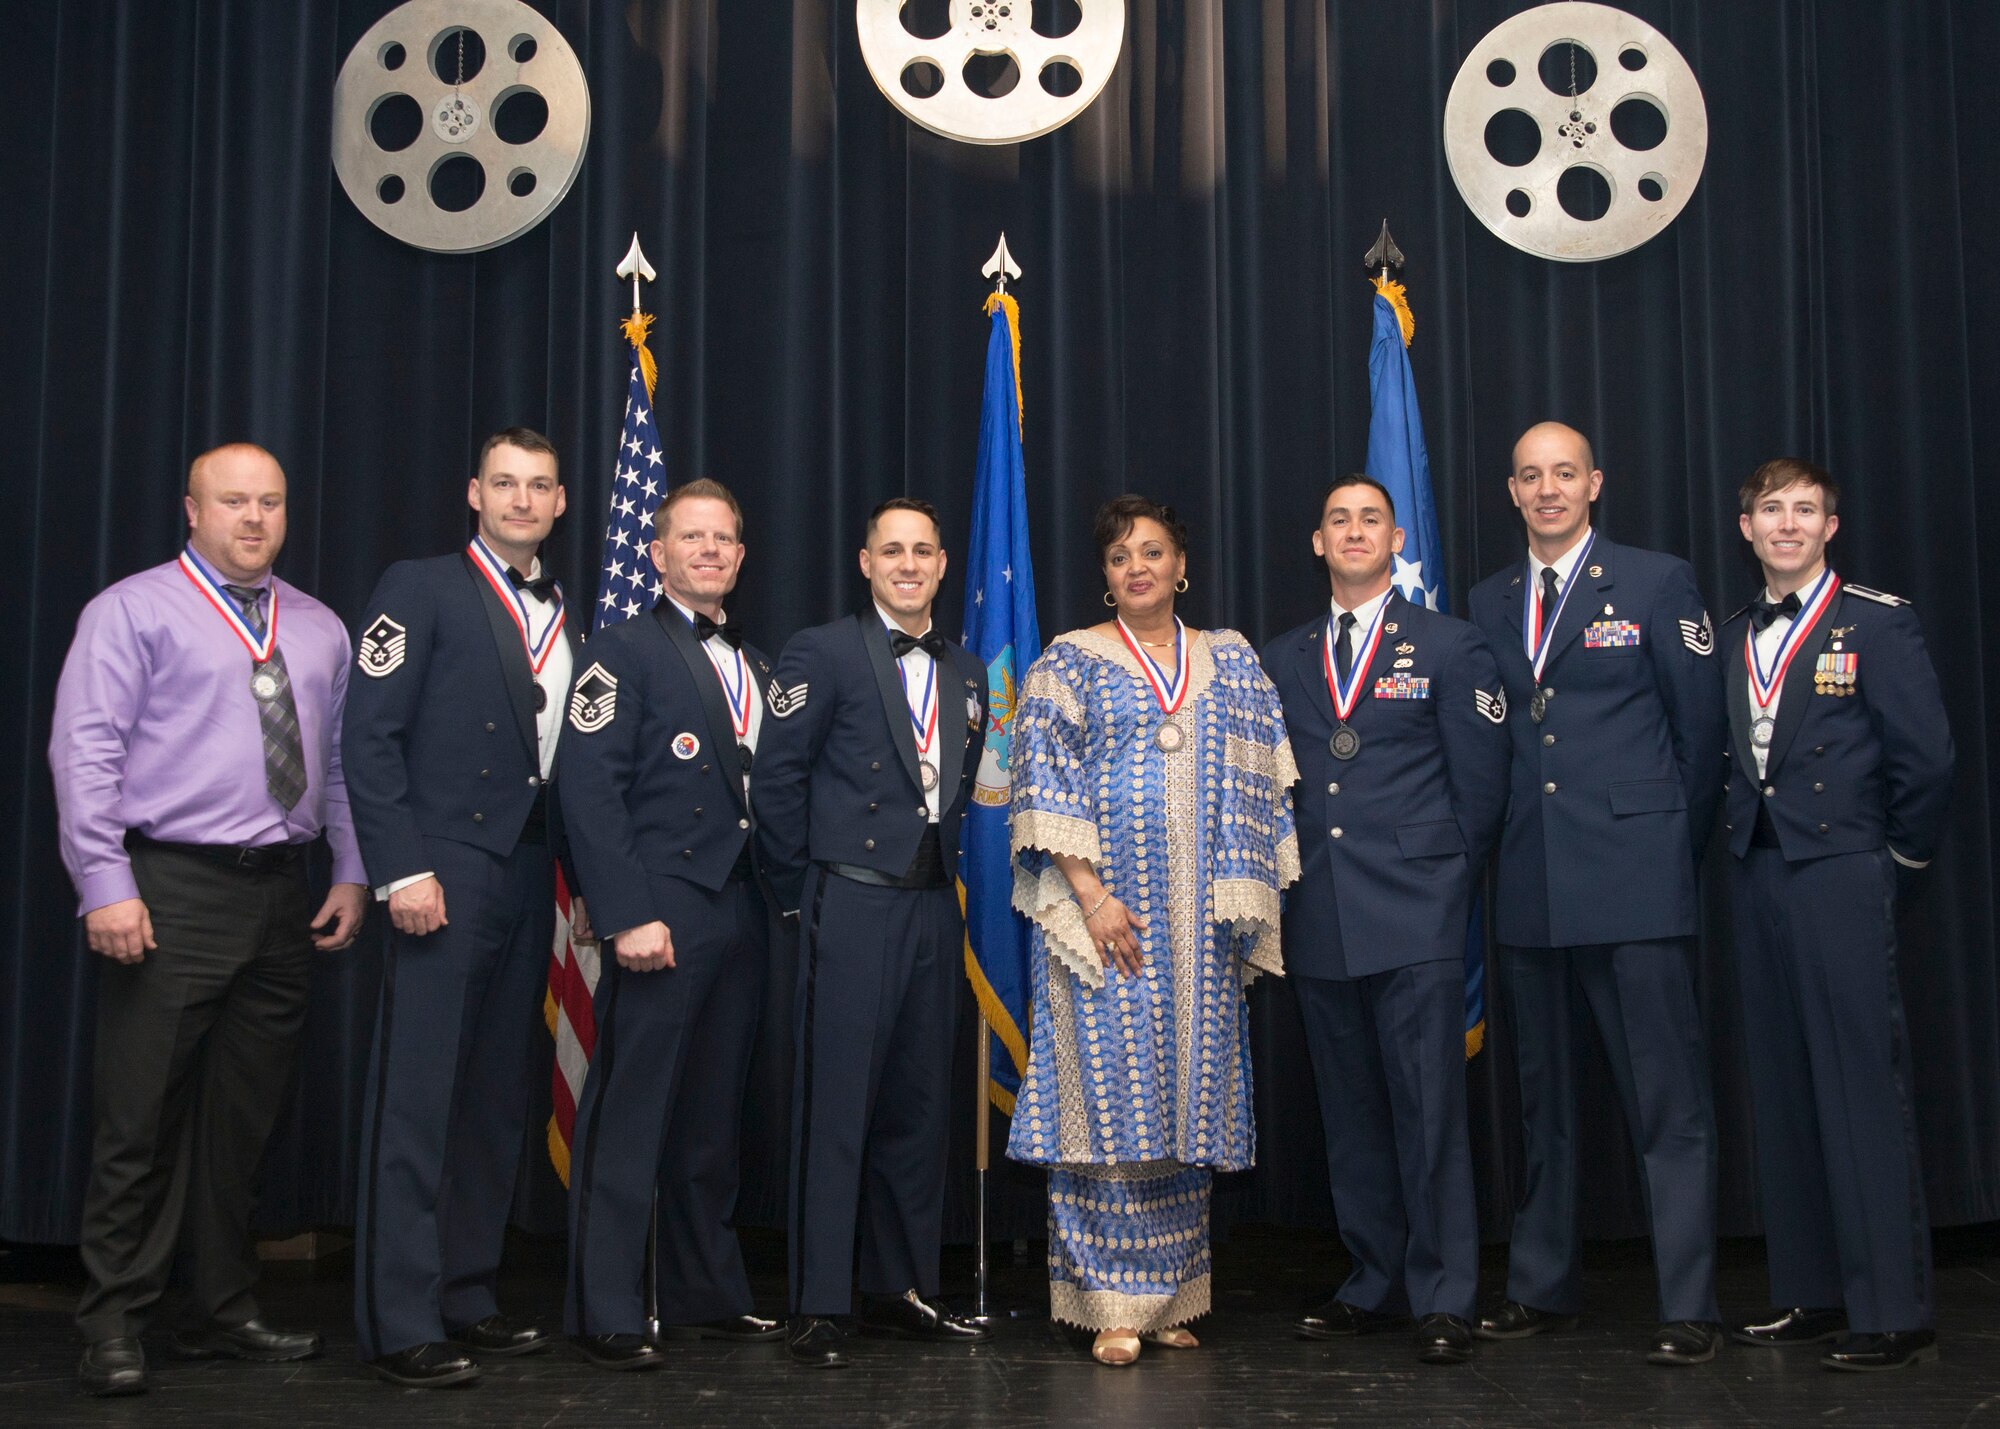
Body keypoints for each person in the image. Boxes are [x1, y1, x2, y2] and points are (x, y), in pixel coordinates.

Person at [50, 443, 368, 1397]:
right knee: (140, 1118)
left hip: (282, 891)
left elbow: (341, 765)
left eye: (270, 501)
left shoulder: (317, 627)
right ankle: (114, 1318)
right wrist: (104, 881)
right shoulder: (131, 610)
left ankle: (220, 1310)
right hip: (168, 885)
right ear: (190, 509)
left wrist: (350, 869)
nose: (254, 519)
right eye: (233, 501)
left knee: (242, 1123)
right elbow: (84, 751)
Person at [1006, 495, 1299, 1368]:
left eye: (1153, 551)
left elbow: (1262, 779)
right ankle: (1108, 1306)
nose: (1137, 566)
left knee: (1185, 1104)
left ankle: (1170, 1297)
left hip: (1201, 924)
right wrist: (1092, 900)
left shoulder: (1234, 662)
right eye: (1120, 556)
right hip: (1103, 921)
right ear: (1105, 578)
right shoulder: (1071, 661)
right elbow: (1042, 783)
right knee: (1104, 1110)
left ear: (1181, 565)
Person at [1466, 421, 1727, 1365]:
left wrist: (1663, 848)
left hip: (1636, 877)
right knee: (1546, 1103)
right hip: (1532, 880)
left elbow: (1702, 739)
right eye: (1530, 475)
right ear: (1511, 490)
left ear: (1595, 484)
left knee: (1667, 1103)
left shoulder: (1657, 581)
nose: (1547, 490)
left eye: (1563, 474)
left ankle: (1690, 1299)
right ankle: (1543, 1286)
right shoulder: (1488, 600)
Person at [342, 427, 585, 1387]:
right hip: (441, 873)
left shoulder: (566, 613)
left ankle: (465, 1291)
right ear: (473, 494)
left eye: (539, 486)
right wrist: (400, 870)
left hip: (528, 877)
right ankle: (399, 1317)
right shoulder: (419, 586)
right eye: (505, 484)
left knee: (491, 1096)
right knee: (419, 1096)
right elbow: (367, 738)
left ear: (561, 503)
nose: (522, 499)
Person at [1264, 474, 1510, 1366]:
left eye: (1371, 518)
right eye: (1339, 520)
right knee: (1354, 1112)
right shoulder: (1284, 655)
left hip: (1416, 911)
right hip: (1321, 911)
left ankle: (1445, 1292)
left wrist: (1444, 887)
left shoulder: (1451, 644)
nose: (1355, 531)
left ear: (1395, 537)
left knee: (1430, 1110)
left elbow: (1481, 793)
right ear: (1318, 543)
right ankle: (1375, 1279)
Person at [1720, 458, 1952, 1372]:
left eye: (1804, 509)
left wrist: (1895, 859)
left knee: (1859, 1086)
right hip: (1759, 873)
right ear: (1747, 527)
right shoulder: (1738, 631)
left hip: (1843, 871)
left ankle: (1893, 1306)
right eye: (1771, 509)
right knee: (1781, 1089)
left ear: (1830, 526)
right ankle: (1811, 1292)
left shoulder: (1878, 622)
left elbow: (1926, 759)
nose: (1787, 523)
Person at [752, 497, 990, 1369]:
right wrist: (796, 897)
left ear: (941, 562)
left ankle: (899, 1286)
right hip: (848, 900)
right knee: (838, 1103)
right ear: (865, 562)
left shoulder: (966, 671)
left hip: (934, 905)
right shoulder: (821, 651)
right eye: (892, 550)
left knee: (919, 1107)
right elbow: (776, 784)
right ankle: (821, 1300)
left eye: (923, 550)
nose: (908, 563)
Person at [557, 479, 785, 1368]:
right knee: (633, 1112)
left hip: (739, 909)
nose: (709, 551)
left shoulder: (760, 665)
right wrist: (626, 913)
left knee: (710, 1118)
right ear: (656, 553)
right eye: (691, 537)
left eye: (723, 539)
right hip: (660, 912)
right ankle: (605, 1304)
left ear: (739, 553)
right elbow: (589, 789)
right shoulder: (618, 651)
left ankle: (704, 1290)